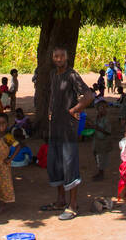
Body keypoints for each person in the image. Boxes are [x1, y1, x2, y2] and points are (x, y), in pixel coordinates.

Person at [40, 46, 95, 220]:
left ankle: (73, 205)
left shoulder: (72, 75)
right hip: (55, 127)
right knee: (55, 163)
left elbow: (88, 95)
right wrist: (50, 111)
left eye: (61, 56)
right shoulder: (53, 75)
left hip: (68, 129)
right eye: (55, 56)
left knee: (69, 164)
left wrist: (75, 109)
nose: (58, 59)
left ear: (67, 57)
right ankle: (60, 200)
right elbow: (53, 96)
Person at [90, 100, 117, 180]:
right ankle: (100, 171)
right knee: (96, 155)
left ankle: (101, 173)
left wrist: (98, 128)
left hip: (104, 143)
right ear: (97, 109)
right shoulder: (97, 118)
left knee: (102, 158)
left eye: (105, 108)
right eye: (101, 108)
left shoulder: (106, 120)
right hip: (97, 141)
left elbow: (108, 132)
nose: (103, 110)